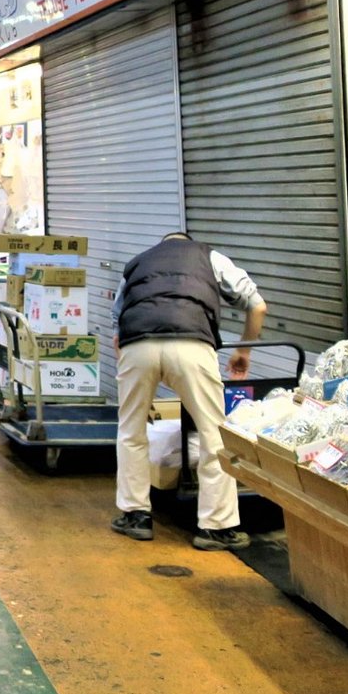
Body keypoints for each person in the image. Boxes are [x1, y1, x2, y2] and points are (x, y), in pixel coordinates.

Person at [110, 231, 267, 551]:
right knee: (215, 434)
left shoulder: (137, 264)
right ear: (188, 242)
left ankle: (135, 515)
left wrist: (136, 371)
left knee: (131, 429)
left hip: (137, 344)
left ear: (163, 245)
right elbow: (258, 305)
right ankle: (215, 527)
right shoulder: (210, 257)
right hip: (192, 345)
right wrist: (244, 351)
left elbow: (117, 327)